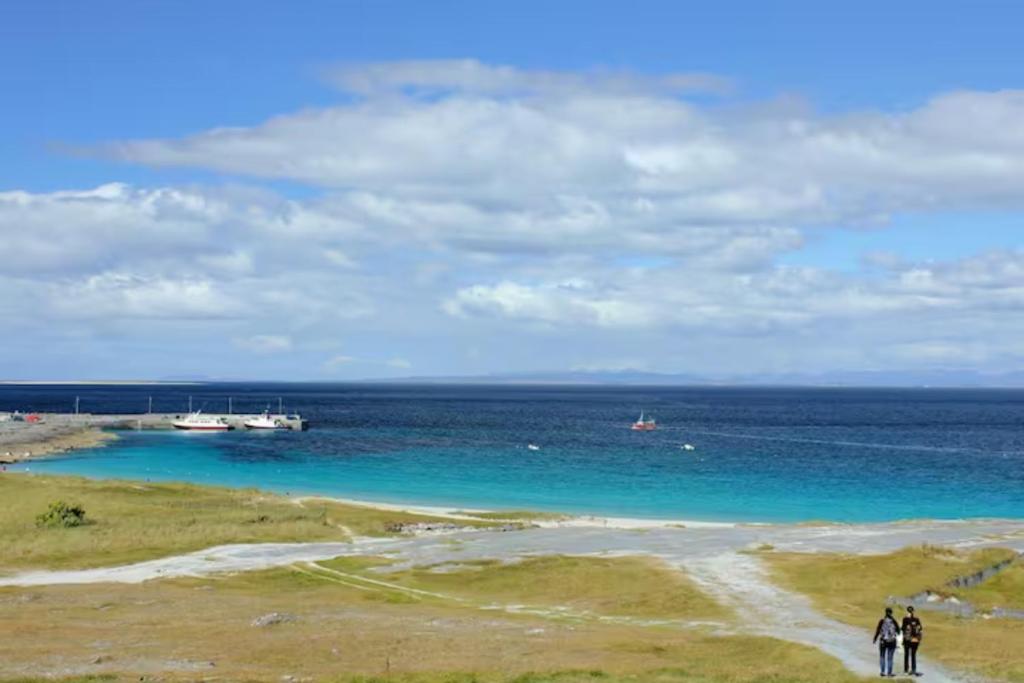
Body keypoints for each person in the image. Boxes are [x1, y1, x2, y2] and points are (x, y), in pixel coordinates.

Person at [873, 607, 900, 677]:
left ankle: (882, 672)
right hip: (892, 641)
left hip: (883, 641)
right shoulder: (894, 621)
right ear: (891, 613)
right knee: (890, 658)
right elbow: (899, 632)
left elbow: (878, 630)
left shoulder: (882, 621)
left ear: (885, 612)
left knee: (882, 656)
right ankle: (889, 673)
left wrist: (875, 639)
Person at [902, 605, 923, 676]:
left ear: (907, 611)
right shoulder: (917, 619)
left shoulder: (905, 619)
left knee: (906, 655)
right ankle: (913, 669)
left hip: (907, 640)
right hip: (915, 640)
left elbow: (903, 629)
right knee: (913, 655)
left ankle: (906, 670)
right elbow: (920, 628)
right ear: (913, 611)